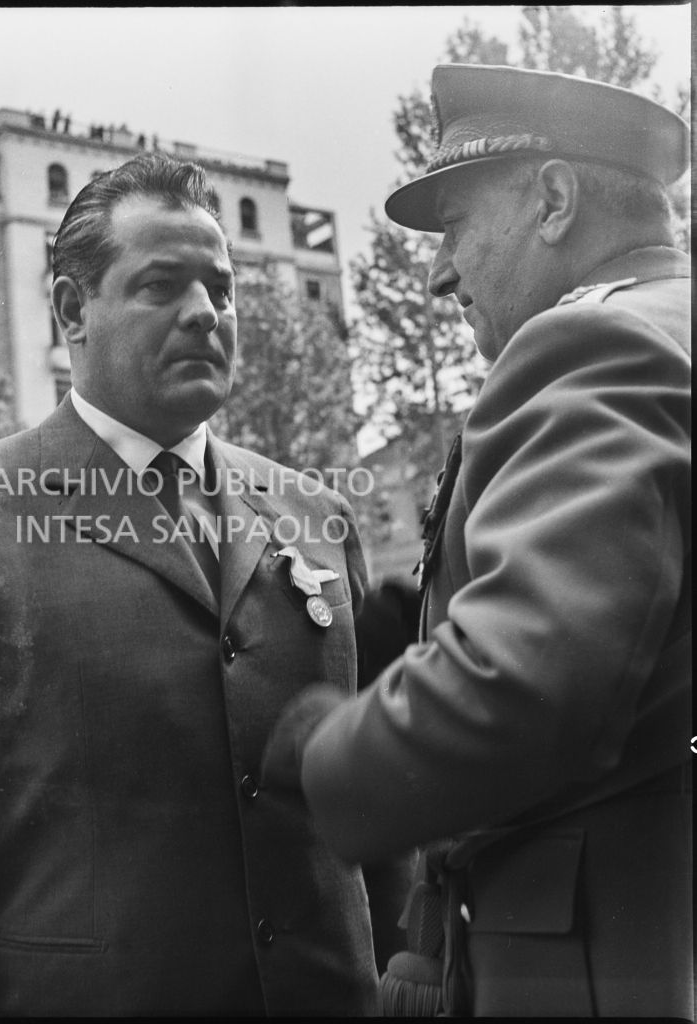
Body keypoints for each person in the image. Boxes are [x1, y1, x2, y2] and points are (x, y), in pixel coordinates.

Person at [0, 152, 408, 1017]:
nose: (206, 314)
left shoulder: (316, 510)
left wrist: (408, 960)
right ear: (73, 310)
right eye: (162, 285)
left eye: (222, 287)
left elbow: (378, 775)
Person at [262, 64, 691, 1017]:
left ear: (553, 198)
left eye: (455, 226)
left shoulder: (588, 345)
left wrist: (322, 753)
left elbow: (526, 680)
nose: (441, 269)